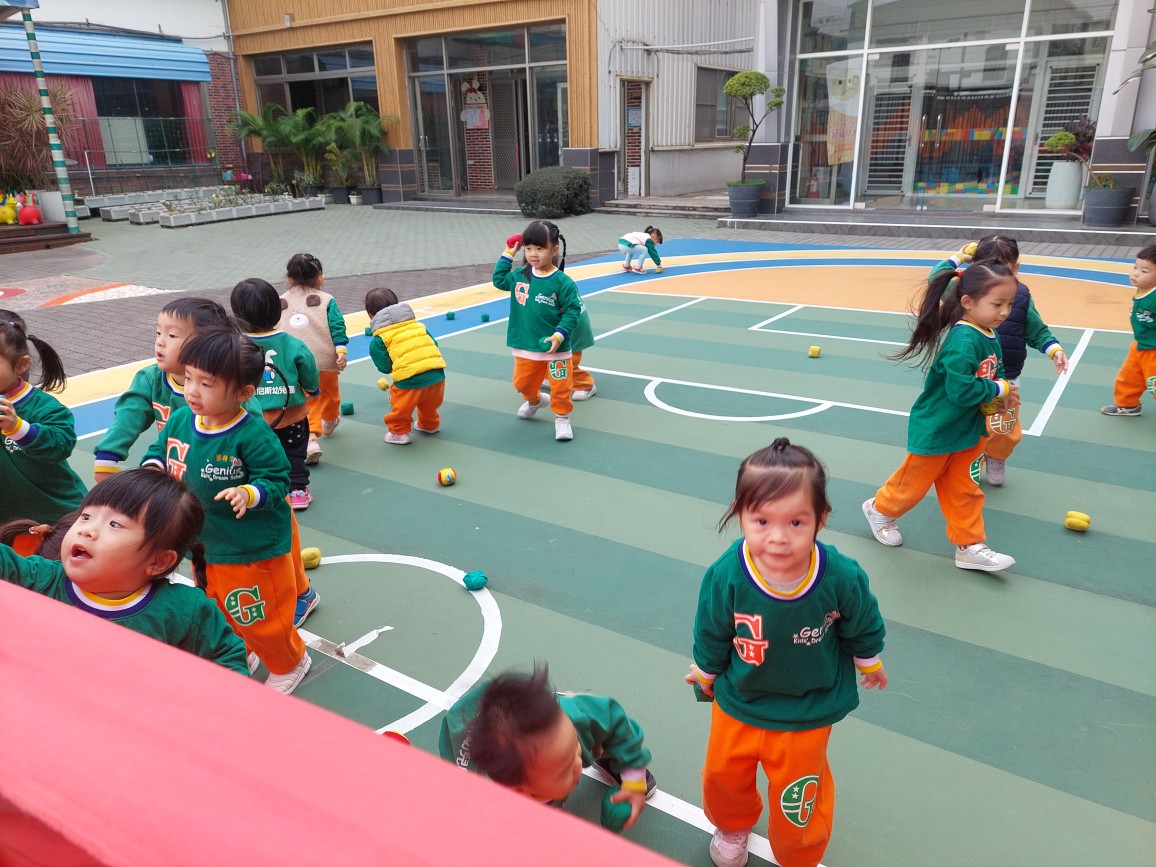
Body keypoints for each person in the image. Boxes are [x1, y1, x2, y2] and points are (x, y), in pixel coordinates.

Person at [686, 439, 887, 867]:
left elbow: (862, 618)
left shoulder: (840, 576)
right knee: (722, 775)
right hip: (739, 699)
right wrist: (705, 671)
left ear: (821, 518)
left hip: (806, 709)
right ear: (740, 514)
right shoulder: (727, 573)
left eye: (796, 522)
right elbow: (712, 628)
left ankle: (799, 855)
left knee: (799, 798)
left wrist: (868, 659)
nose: (778, 537)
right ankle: (732, 824)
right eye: (761, 520)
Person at [142, 327, 312, 694]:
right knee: (219, 609)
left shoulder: (252, 435)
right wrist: (153, 466)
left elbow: (277, 479)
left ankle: (290, 661)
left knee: (261, 615)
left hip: (249, 549)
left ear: (244, 393)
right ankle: (242, 651)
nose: (192, 390)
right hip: (204, 545)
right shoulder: (180, 419)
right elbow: (161, 449)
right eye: (188, 378)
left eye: (206, 384)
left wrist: (249, 493)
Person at [0, 468, 248, 675]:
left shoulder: (184, 609)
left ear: (159, 561)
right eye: (86, 516)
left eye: (115, 524)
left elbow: (227, 658)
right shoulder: (40, 577)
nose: (86, 530)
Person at [862, 260, 1020, 572]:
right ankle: (880, 509)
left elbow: (995, 370)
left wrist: (999, 397)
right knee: (913, 486)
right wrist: (998, 389)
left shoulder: (989, 332)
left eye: (1010, 304)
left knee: (966, 489)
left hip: (969, 430)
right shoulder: (963, 341)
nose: (1005, 312)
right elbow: (960, 391)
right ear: (968, 302)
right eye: (997, 304)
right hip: (938, 429)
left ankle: (969, 545)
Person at [439, 664, 656, 830]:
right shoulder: (484, 792)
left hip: (573, 718)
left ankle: (608, 758)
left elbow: (617, 723)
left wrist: (634, 782)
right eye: (564, 769)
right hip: (485, 760)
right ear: (519, 790)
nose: (578, 764)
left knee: (596, 735)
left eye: (575, 751)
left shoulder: (573, 718)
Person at [933, 237, 1068, 485]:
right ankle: (967, 463)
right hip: (971, 377)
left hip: (1006, 376)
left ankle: (996, 456)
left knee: (1003, 427)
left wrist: (1054, 349)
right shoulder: (966, 292)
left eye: (1002, 267)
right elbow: (937, 278)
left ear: (1015, 268)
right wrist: (959, 256)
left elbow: (1036, 329)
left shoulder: (1021, 296)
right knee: (966, 423)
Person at [93, 297, 235, 481]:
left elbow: (254, 431)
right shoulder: (150, 379)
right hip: (172, 470)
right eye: (159, 332)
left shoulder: (227, 386)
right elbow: (128, 416)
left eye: (172, 335)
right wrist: (108, 453)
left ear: (205, 344)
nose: (160, 342)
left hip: (219, 475)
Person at [231, 278, 320, 509]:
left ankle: (252, 490)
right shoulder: (291, 343)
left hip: (250, 419)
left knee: (254, 454)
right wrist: (312, 388)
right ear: (277, 311)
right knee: (294, 453)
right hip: (291, 416)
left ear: (237, 315)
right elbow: (308, 367)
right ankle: (297, 490)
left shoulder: (235, 346)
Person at [493, 221, 585, 441]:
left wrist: (559, 335)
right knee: (522, 384)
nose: (533, 254)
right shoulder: (520, 275)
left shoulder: (563, 282)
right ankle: (535, 401)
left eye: (540, 248)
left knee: (561, 387)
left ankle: (562, 418)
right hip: (525, 344)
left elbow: (572, 310)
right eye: (528, 248)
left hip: (556, 348)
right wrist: (508, 252)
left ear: (554, 250)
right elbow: (498, 280)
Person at [0, 311, 86, 525]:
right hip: (8, 522)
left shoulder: (43, 406)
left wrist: (17, 428)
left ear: (21, 365)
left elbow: (61, 444)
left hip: (56, 516)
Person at [278, 253, 348, 466]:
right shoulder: (326, 300)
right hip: (323, 360)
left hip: (292, 362)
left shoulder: (280, 301)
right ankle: (319, 430)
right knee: (330, 394)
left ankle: (311, 433)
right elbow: (337, 325)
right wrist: (341, 350)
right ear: (320, 278)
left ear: (289, 279)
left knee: (308, 399)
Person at [365, 286, 447, 444]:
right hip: (436, 373)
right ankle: (429, 424)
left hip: (409, 380)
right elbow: (434, 344)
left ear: (370, 315)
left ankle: (398, 433)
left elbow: (385, 366)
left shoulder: (380, 338)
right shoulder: (419, 326)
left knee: (400, 408)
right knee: (429, 404)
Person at [1101, 242, 1156, 417]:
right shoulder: (1144, 290)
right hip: (1140, 345)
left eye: (1144, 271)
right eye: (1135, 267)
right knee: (1129, 377)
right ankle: (1128, 405)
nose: (1136, 273)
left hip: (1153, 350)